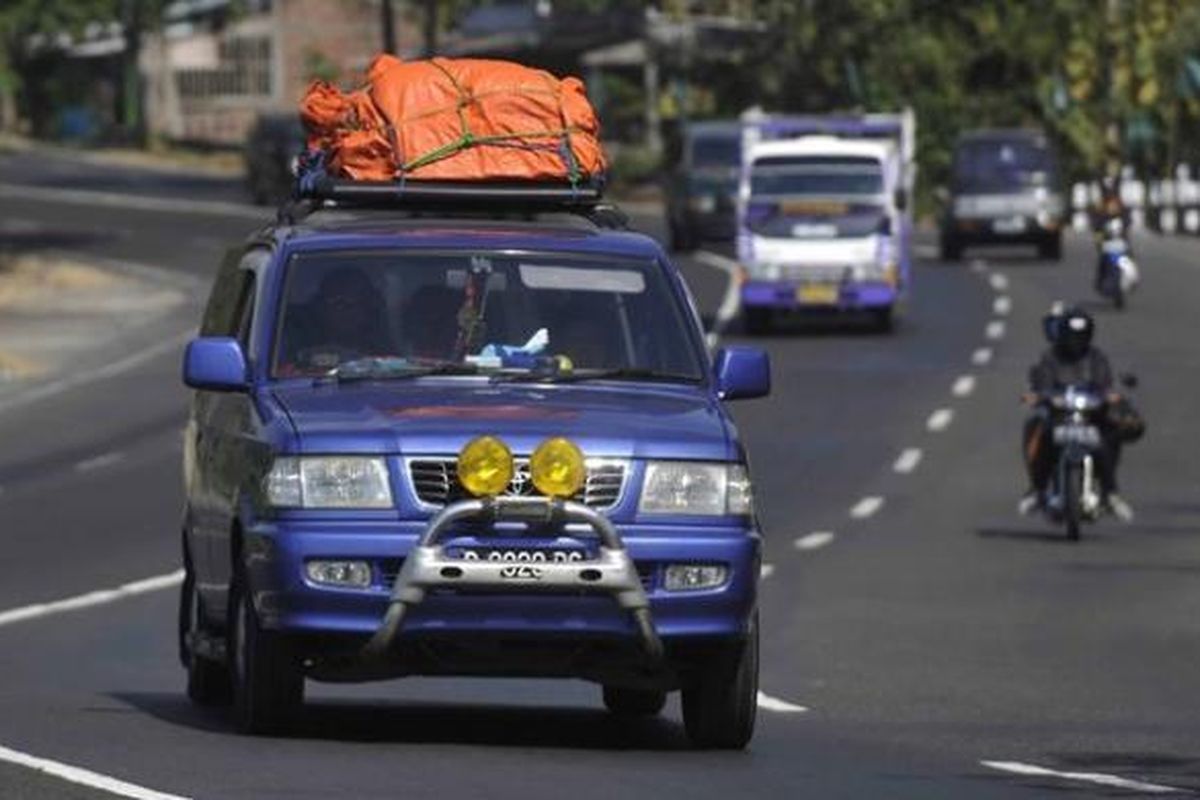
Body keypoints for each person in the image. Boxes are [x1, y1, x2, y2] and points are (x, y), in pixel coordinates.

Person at [1019, 304, 1133, 521]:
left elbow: (1104, 383)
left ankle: (1110, 493)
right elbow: (1042, 382)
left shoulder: (1097, 357)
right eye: (1071, 336)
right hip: (1059, 416)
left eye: (1080, 337)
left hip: (1090, 417)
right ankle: (1037, 489)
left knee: (1110, 435)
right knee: (1037, 427)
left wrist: (1109, 396)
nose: (1075, 342)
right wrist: (1040, 395)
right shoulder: (1050, 357)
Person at [284, 267, 392, 371]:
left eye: (352, 302)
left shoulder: (389, 345)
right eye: (336, 302)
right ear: (321, 307)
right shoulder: (300, 348)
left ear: (368, 306)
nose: (344, 311)